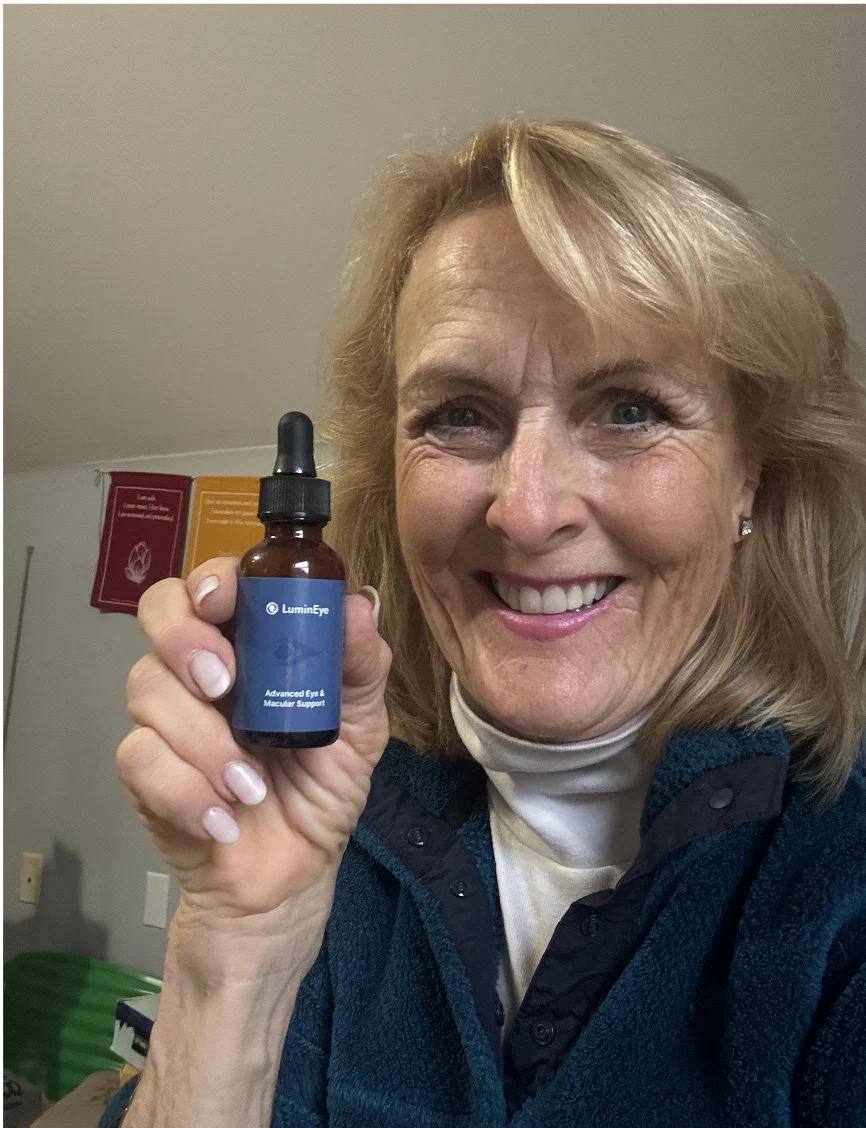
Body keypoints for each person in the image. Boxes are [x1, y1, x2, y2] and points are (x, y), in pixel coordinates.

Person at [100, 118, 866, 1128]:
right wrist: (239, 950)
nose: (526, 510)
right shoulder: (329, 826)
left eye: (630, 408)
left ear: (747, 479)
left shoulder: (835, 889)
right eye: (458, 415)